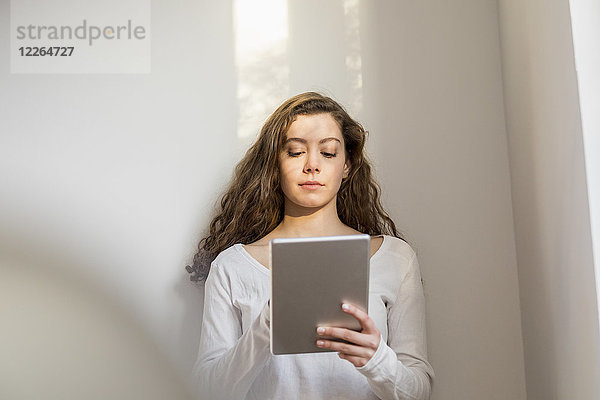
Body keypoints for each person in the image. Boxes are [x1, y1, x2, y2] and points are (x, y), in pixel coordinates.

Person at [186, 92, 435, 399]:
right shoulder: (233, 266)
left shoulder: (395, 258)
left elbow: (418, 391)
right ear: (274, 164)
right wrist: (265, 328)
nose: (312, 166)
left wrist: (376, 360)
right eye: (294, 152)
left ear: (347, 165)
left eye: (328, 153)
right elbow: (208, 392)